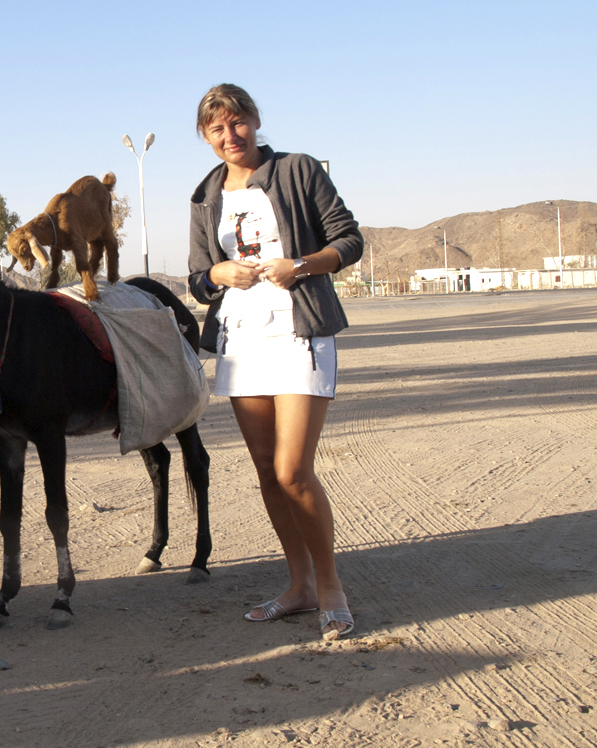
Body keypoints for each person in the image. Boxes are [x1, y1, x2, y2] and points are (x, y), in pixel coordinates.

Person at [187, 85, 364, 640]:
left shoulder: (298, 170)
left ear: (255, 122)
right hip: (241, 338)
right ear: (205, 137)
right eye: (217, 129)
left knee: (293, 470)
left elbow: (350, 239)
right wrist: (219, 274)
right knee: (266, 472)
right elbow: (198, 276)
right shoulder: (204, 195)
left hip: (299, 330)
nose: (229, 136)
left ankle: (331, 585)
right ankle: (299, 586)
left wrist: (303, 266)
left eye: (237, 123)